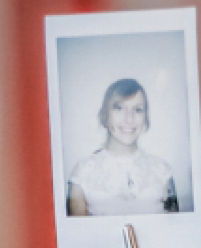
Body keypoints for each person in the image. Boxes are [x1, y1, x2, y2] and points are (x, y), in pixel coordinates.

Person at [67, 78, 180, 216]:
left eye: (138, 110)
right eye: (119, 108)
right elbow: (77, 233)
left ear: (145, 117)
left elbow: (175, 228)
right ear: (105, 115)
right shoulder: (82, 173)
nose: (129, 118)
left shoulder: (162, 171)